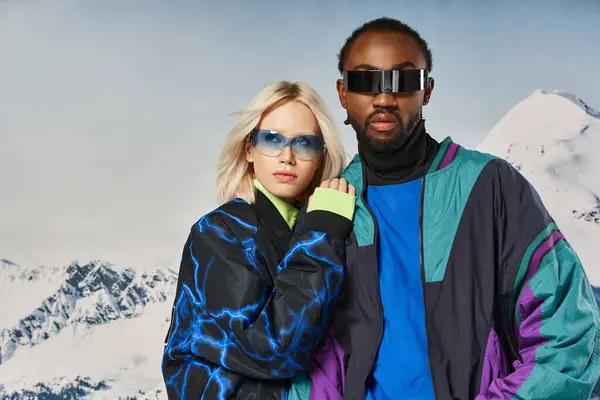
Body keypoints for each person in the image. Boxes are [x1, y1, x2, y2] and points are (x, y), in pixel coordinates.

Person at [294, 17, 600, 400]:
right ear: (343, 92)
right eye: (366, 81)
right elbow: (311, 355)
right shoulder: (328, 205)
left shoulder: (490, 186)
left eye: (404, 81)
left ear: (428, 90)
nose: (385, 98)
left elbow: (568, 334)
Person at [161, 80, 357, 399]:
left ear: (321, 156)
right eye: (272, 139)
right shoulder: (218, 233)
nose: (287, 156)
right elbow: (273, 350)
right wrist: (323, 233)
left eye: (304, 143)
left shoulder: (316, 225)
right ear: (249, 148)